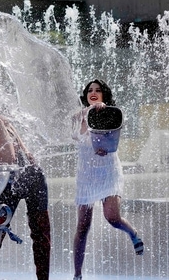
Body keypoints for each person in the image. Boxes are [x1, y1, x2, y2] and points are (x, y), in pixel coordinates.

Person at [0, 101, 51, 280]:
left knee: (41, 234)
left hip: (33, 179)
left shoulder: (5, 124)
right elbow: (9, 158)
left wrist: (27, 151)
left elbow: (25, 153)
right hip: (5, 187)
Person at [71, 79, 143, 280]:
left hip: (108, 170)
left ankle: (132, 232)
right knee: (83, 226)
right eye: (90, 90)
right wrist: (86, 114)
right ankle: (77, 274)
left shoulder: (111, 113)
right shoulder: (77, 117)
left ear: (104, 95)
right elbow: (74, 136)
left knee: (112, 217)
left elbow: (114, 140)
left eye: (98, 90)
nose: (93, 93)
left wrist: (101, 114)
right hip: (86, 174)